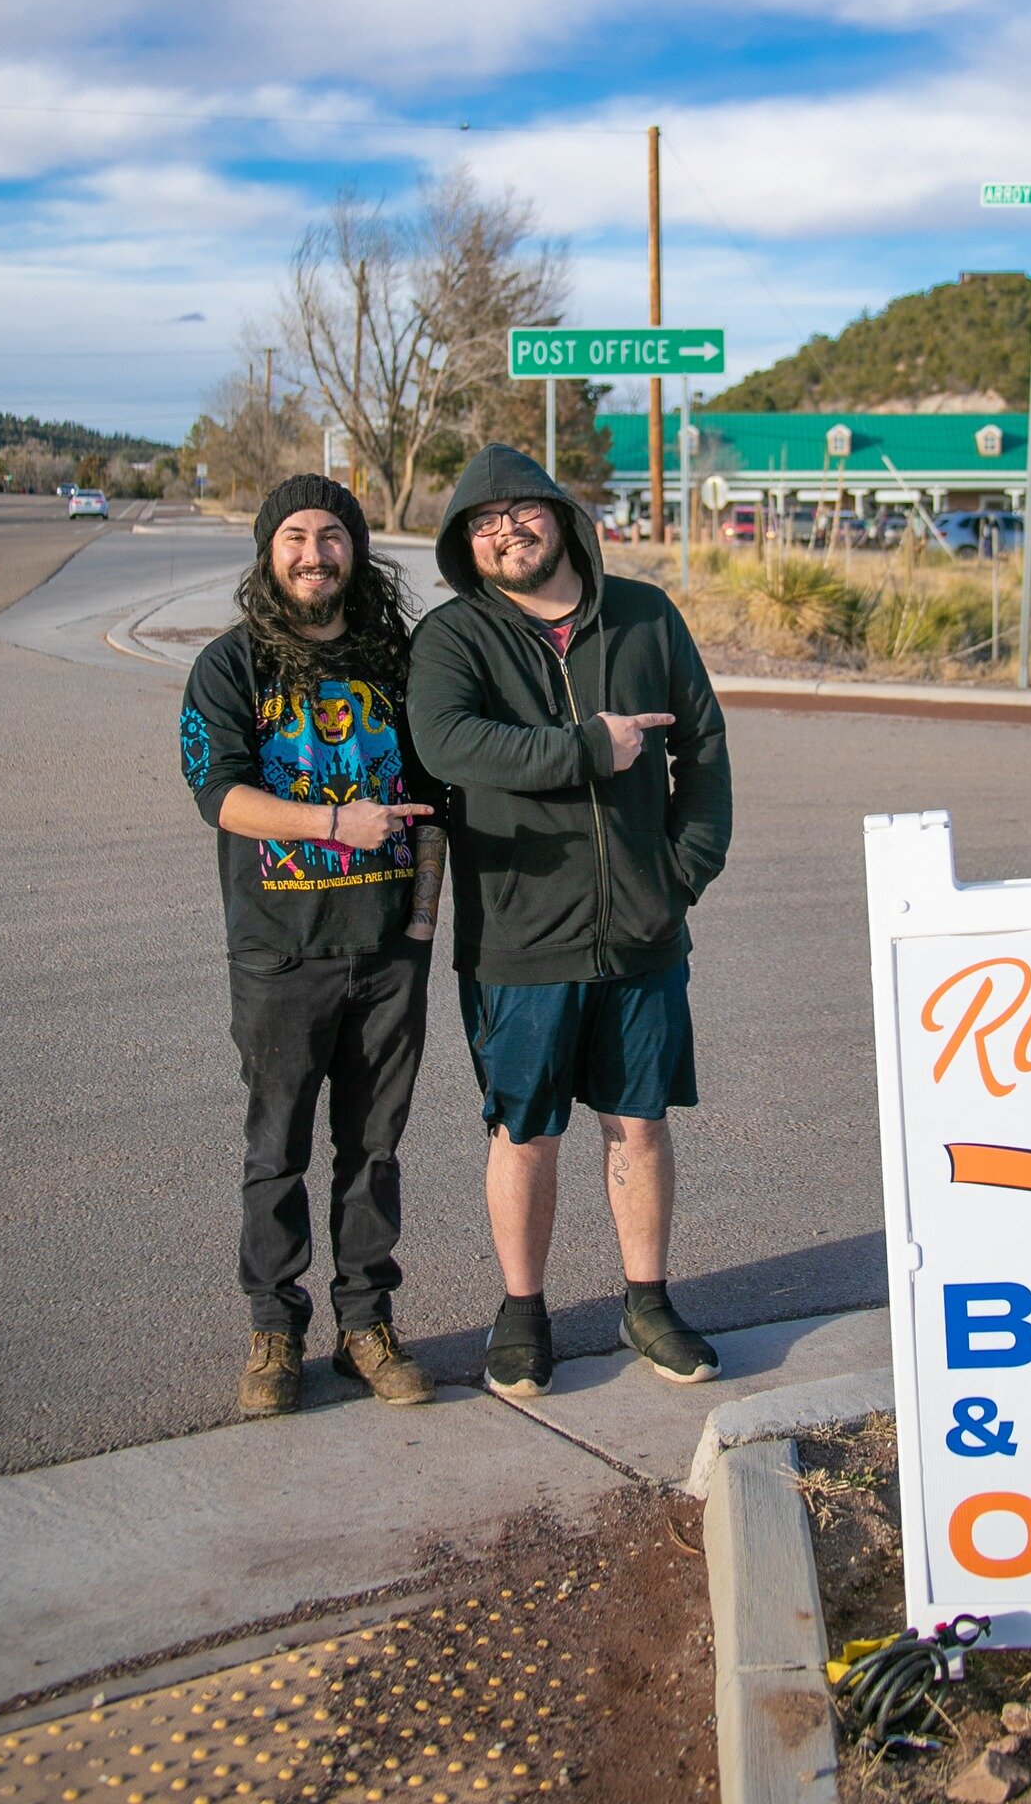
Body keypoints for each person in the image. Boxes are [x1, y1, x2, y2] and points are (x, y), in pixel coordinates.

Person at [408, 444, 733, 1398]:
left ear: (560, 516)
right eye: (481, 523)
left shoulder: (643, 616)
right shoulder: (455, 637)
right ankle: (522, 1313)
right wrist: (593, 746)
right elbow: (450, 743)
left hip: (641, 927)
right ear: (466, 546)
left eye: (520, 512)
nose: (504, 531)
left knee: (639, 1121)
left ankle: (648, 1301)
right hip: (519, 930)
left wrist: (681, 875)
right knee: (524, 1130)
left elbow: (704, 749)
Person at [180, 473, 448, 1418]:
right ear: (269, 551)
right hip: (278, 953)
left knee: (373, 1149)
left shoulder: (397, 661)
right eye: (295, 535)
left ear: (356, 553)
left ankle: (366, 1325)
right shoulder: (230, 666)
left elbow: (433, 807)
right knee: (276, 1149)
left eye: (331, 536)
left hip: (385, 956)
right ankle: (274, 1330)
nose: (313, 553)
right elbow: (222, 797)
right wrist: (336, 822)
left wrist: (419, 927)